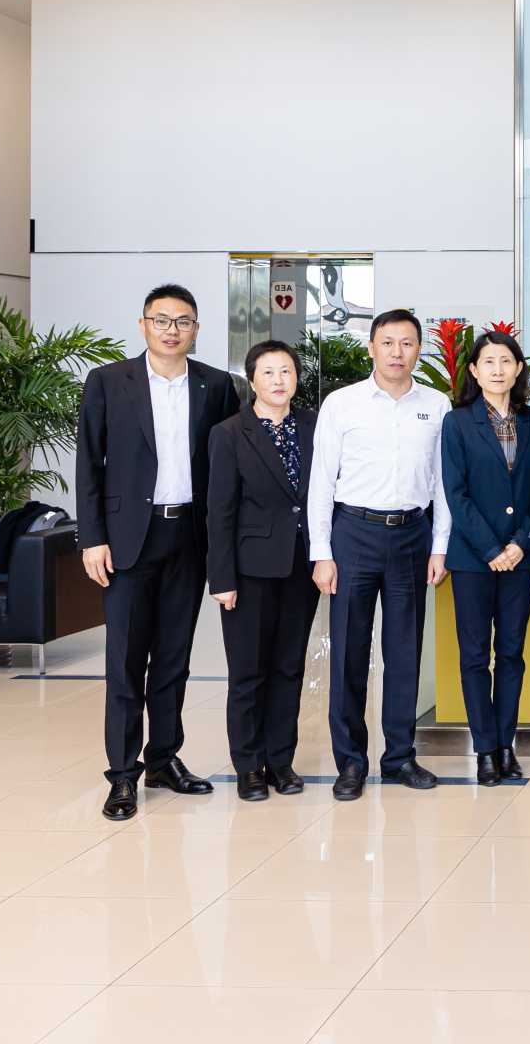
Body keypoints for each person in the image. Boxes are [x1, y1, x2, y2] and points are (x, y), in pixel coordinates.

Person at [77, 284, 239, 822]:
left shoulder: (216, 386)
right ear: (143, 324)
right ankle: (123, 773)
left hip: (188, 536)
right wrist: (91, 537)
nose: (173, 330)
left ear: (196, 329)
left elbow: (225, 468)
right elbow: (89, 465)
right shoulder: (107, 382)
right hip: (128, 538)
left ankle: (164, 759)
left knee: (173, 659)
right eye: (162, 320)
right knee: (125, 660)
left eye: (183, 321)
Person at [308, 309, 452, 801]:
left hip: (412, 535)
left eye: (407, 343)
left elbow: (442, 483)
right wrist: (321, 552)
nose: (397, 352)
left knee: (405, 652)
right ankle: (350, 761)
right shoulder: (342, 403)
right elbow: (321, 481)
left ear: (419, 350)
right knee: (349, 652)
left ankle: (400, 757)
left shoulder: (435, 405)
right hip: (353, 534)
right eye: (387, 343)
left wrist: (439, 545)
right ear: (371, 347)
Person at [207, 339, 318, 802]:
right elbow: (220, 511)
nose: (278, 380)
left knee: (289, 667)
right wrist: (222, 578)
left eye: (286, 371)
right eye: (268, 372)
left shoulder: (313, 425)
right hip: (249, 570)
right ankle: (249, 766)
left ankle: (281, 761)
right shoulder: (230, 433)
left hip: (301, 566)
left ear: (297, 378)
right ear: (252, 379)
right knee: (248, 672)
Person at [440, 331, 530, 787]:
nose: (498, 370)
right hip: (473, 558)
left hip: (521, 556)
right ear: (474, 370)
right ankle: (484, 749)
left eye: (506, 361)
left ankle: (506, 745)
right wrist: (490, 549)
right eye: (489, 361)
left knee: (511, 653)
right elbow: (455, 492)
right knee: (474, 655)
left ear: (518, 368)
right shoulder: (458, 422)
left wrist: (520, 543)